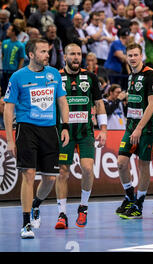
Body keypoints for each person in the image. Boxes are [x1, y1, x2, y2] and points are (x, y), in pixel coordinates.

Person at [29, 43, 107, 229]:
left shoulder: (90, 77)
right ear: (65, 56)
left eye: (79, 54)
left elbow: (99, 103)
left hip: (84, 131)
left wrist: (103, 129)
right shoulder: (55, 76)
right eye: (72, 54)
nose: (76, 57)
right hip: (63, 132)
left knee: (87, 169)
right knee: (62, 171)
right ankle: (62, 214)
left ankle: (83, 207)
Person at [3, 38, 69, 239]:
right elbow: (8, 108)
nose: (47, 55)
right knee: (29, 174)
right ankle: (26, 224)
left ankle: (35, 204)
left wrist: (65, 126)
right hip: (27, 129)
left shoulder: (54, 74)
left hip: (50, 130)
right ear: (31, 55)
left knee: (49, 178)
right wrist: (10, 139)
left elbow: (62, 101)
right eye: (42, 52)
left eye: (47, 51)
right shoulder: (17, 77)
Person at [114, 43, 153, 219]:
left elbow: (152, 106)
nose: (133, 58)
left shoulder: (151, 75)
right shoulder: (131, 76)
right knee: (121, 162)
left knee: (143, 165)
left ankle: (139, 204)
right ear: (126, 57)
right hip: (132, 126)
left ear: (141, 56)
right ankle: (129, 196)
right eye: (130, 55)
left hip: (149, 128)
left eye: (136, 55)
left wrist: (139, 128)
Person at [1, 24, 25, 97]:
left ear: (13, 32)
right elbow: (3, 55)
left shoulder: (20, 45)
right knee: (4, 90)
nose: (7, 31)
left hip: (13, 71)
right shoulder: (4, 42)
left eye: (9, 30)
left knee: (12, 91)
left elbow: (21, 59)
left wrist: (18, 72)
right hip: (4, 71)